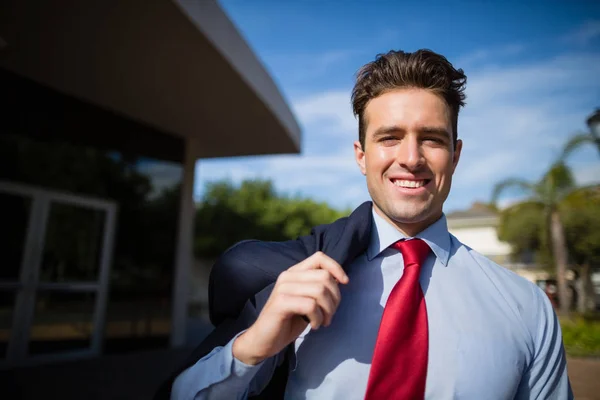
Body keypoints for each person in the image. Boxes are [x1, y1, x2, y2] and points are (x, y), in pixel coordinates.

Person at [160, 49, 573, 399]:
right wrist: (250, 350)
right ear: (360, 155)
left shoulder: (527, 309)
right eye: (390, 137)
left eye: (432, 138)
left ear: (456, 154)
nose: (411, 157)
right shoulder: (297, 283)